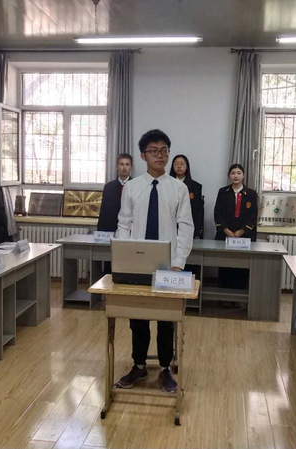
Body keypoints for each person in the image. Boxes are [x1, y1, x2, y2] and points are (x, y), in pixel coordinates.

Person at [115, 129, 194, 393]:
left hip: (168, 265)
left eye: (164, 150)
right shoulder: (132, 187)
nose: (160, 155)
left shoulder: (179, 188)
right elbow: (124, 224)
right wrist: (123, 257)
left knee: (166, 320)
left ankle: (164, 368)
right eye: (153, 151)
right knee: (137, 317)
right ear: (143, 155)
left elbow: (186, 227)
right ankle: (138, 365)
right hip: (137, 263)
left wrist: (178, 262)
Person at [214, 164, 258, 289]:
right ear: (229, 176)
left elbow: (253, 215)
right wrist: (226, 230)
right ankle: (223, 292)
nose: (236, 176)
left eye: (239, 173)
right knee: (225, 264)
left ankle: (240, 292)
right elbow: (217, 212)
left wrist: (241, 231)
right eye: (233, 173)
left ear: (243, 175)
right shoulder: (223, 192)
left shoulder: (251, 194)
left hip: (244, 237)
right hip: (225, 235)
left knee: (241, 265)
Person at [169, 154, 204, 239]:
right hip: (169, 226)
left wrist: (197, 232)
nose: (179, 166)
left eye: (182, 164)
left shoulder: (196, 187)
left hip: (187, 227)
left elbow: (198, 212)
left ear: (187, 167)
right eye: (176, 164)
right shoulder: (166, 184)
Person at [97, 153, 133, 233]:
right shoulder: (109, 187)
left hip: (130, 229)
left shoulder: (136, 187)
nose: (124, 168)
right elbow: (103, 211)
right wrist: (100, 231)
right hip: (110, 228)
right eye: (121, 164)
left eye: (127, 164)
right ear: (117, 167)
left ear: (131, 167)